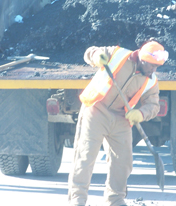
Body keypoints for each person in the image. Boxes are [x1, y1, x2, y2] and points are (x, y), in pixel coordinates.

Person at [68, 40, 168, 206]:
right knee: (85, 156)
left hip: (121, 118)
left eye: (157, 66)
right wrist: (95, 56)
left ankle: (115, 199)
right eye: (151, 65)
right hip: (96, 110)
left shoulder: (151, 81)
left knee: (123, 161)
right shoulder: (118, 54)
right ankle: (77, 199)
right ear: (142, 60)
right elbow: (90, 51)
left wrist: (141, 113)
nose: (154, 69)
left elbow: (153, 105)